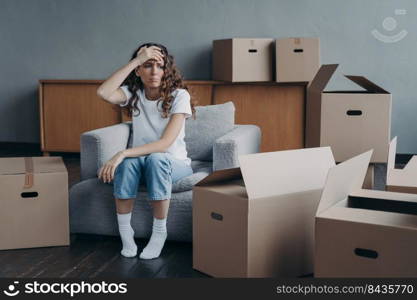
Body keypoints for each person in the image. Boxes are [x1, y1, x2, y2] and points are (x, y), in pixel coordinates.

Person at [96, 42, 195, 259]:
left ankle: (159, 233)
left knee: (155, 159)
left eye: (159, 66)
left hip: (174, 163)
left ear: (167, 69)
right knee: (130, 163)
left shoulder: (180, 96)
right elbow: (103, 92)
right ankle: (126, 232)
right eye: (147, 65)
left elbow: (165, 143)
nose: (154, 72)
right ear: (138, 71)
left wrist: (121, 152)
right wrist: (135, 61)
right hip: (141, 160)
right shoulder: (134, 93)